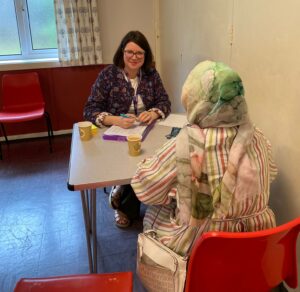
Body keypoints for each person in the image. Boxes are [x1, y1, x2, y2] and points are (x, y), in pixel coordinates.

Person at [131, 60, 278, 257]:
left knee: (156, 212)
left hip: (202, 253)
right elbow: (271, 174)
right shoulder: (257, 137)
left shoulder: (184, 144)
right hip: (255, 252)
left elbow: (147, 191)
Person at [83, 30, 171, 228]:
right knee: (135, 166)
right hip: (114, 135)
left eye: (139, 53)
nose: (134, 57)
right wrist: (115, 120)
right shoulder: (108, 75)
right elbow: (89, 109)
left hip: (145, 132)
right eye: (130, 52)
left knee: (152, 162)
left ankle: (123, 189)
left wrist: (153, 113)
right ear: (122, 52)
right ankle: (124, 207)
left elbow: (165, 101)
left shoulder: (151, 74)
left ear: (145, 56)